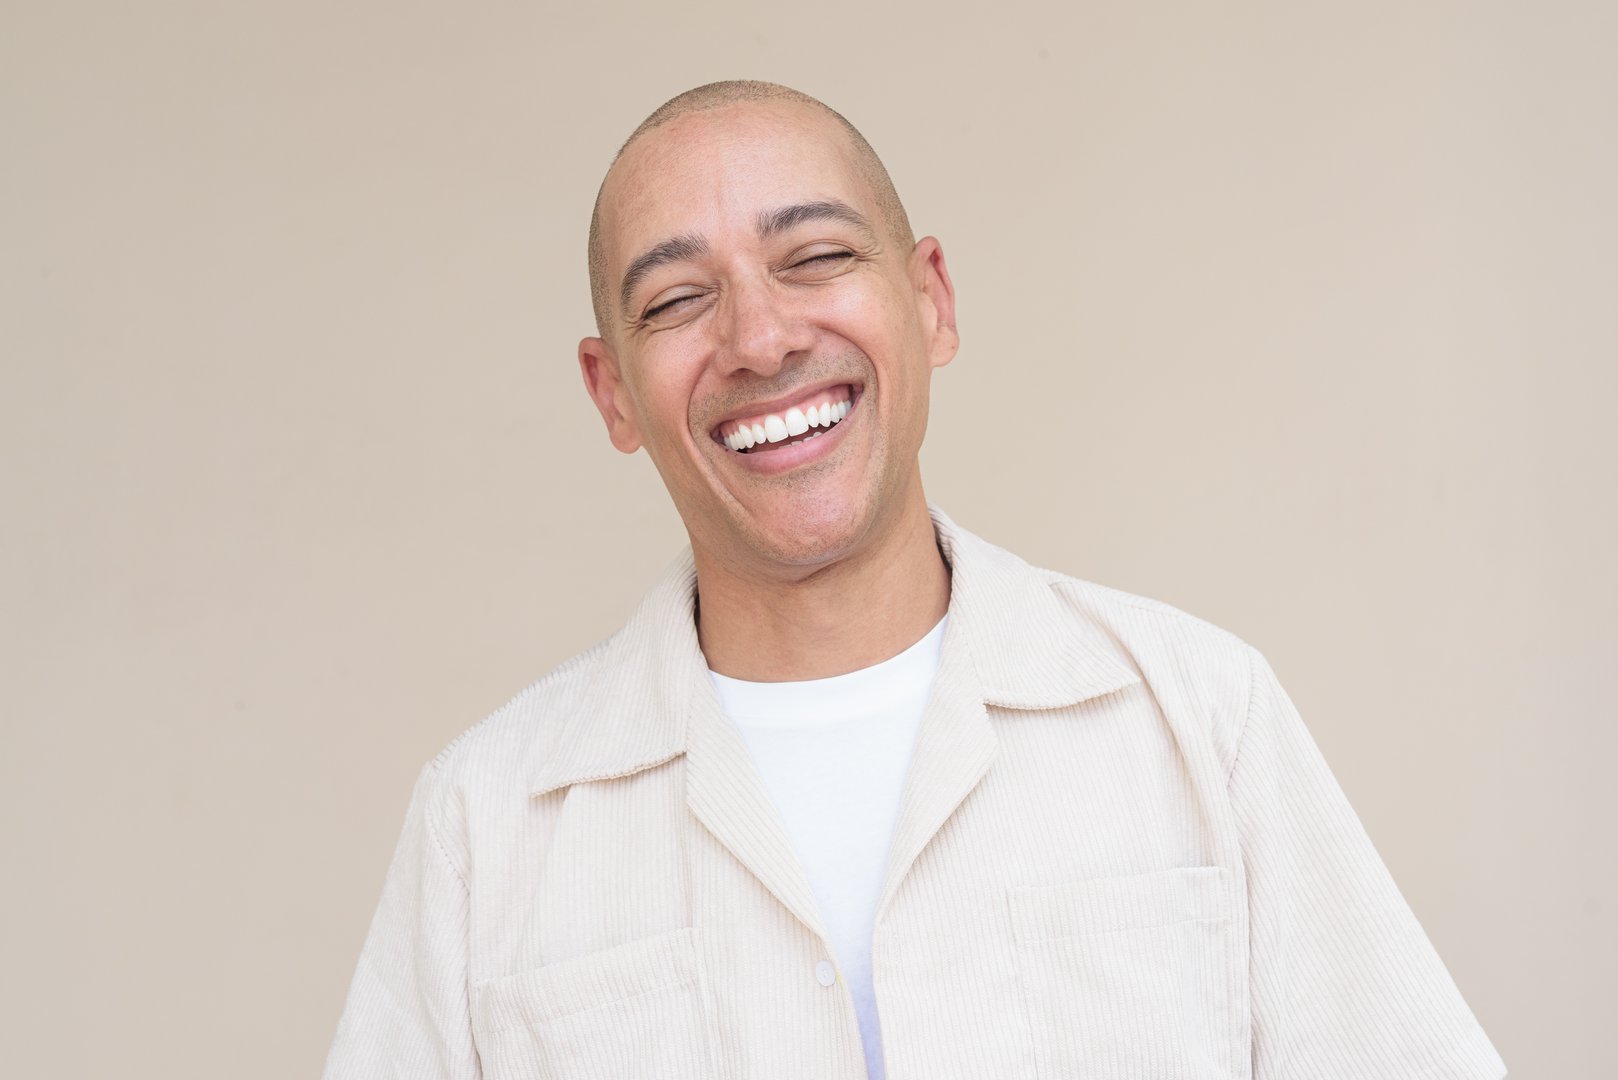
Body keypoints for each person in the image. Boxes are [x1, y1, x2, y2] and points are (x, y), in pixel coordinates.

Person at [323, 80, 1507, 1080]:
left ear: (930, 300)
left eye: (815, 257)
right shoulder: (486, 825)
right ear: (611, 393)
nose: (761, 339)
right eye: (678, 300)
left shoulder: (1195, 715)